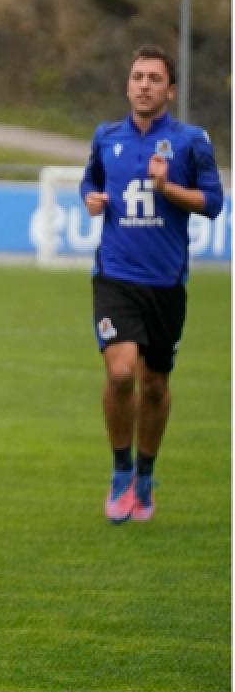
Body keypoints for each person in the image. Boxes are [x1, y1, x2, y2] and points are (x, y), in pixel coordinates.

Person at [80, 43, 223, 524]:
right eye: (137, 76)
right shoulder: (106, 137)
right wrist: (91, 199)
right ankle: (120, 473)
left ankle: (145, 474)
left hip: (166, 282)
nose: (144, 85)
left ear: (171, 90)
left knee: (155, 386)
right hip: (115, 276)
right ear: (128, 84)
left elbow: (213, 203)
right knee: (121, 374)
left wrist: (167, 189)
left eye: (154, 78)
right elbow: (89, 182)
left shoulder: (191, 141)